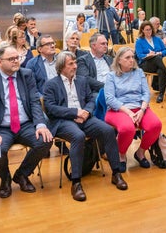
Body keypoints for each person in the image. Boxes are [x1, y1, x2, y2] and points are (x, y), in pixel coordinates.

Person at [43, 51, 127, 200]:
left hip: (85, 118)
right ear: (61, 67)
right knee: (78, 136)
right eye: (71, 64)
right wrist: (75, 112)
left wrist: (86, 112)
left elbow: (90, 100)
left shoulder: (82, 80)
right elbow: (51, 108)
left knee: (108, 130)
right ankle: (76, 182)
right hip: (64, 121)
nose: (75, 66)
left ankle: (116, 173)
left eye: (75, 63)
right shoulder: (51, 84)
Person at [0, 45, 53, 199]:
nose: (15, 61)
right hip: (1, 127)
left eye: (17, 58)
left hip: (25, 124)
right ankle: (5, 178)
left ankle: (22, 175)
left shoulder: (26, 74)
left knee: (45, 140)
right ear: (0, 61)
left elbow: (34, 101)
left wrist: (40, 124)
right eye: (11, 59)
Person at [104, 47, 162, 169]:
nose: (131, 60)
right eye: (127, 57)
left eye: (132, 57)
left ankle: (140, 153)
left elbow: (146, 93)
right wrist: (129, 113)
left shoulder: (139, 72)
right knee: (127, 129)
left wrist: (142, 110)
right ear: (119, 60)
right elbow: (110, 99)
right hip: (118, 110)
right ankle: (121, 155)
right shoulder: (111, 76)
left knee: (155, 125)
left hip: (139, 108)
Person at [134, 22, 166, 103]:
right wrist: (148, 55)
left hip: (159, 64)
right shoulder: (139, 41)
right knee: (157, 58)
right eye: (146, 30)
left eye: (150, 29)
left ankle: (161, 94)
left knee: (161, 71)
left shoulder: (157, 39)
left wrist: (160, 53)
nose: (149, 31)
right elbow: (139, 56)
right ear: (142, 30)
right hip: (146, 64)